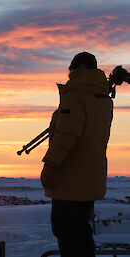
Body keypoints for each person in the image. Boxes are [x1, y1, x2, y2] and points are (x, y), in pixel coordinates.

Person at [40, 52, 113, 257]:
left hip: (69, 185)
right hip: (89, 184)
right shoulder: (102, 100)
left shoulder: (76, 97)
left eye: (71, 68)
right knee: (82, 235)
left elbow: (65, 137)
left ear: (78, 68)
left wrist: (50, 167)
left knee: (68, 236)